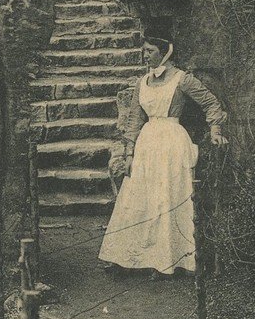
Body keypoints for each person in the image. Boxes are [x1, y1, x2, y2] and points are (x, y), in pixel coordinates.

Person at [98, 36, 228, 276]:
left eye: (150, 51)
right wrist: (129, 152)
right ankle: (135, 259)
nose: (145, 55)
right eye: (144, 51)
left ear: (164, 52)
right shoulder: (142, 82)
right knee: (139, 198)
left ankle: (170, 259)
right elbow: (135, 119)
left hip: (172, 142)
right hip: (147, 143)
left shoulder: (182, 79)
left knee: (167, 197)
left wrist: (215, 130)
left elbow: (211, 103)